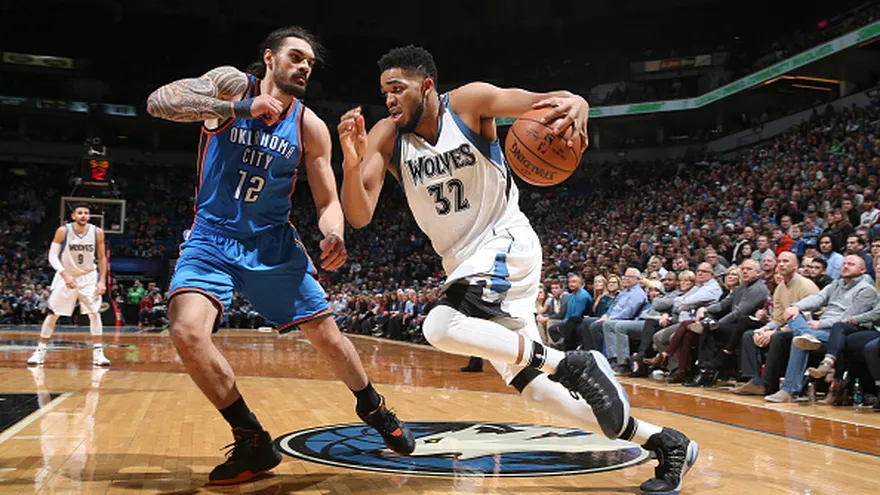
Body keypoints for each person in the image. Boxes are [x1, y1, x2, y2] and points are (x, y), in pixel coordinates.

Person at [337, 45, 698, 495]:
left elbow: (545, 100)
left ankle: (576, 364)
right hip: (467, 266)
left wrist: (579, 102)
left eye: (397, 88)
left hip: (504, 243)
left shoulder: (467, 103)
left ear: (426, 86)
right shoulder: (386, 136)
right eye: (384, 91)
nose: (389, 99)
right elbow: (358, 214)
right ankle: (666, 442)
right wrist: (352, 161)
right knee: (539, 392)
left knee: (439, 326)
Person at [146, 26, 413, 485]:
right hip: (211, 238)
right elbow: (158, 102)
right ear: (270, 58)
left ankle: (372, 403)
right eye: (296, 56)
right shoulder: (232, 86)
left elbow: (328, 201)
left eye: (310, 61)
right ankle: (251, 439)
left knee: (328, 339)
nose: (304, 65)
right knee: (187, 330)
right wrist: (236, 108)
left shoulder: (309, 126)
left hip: (272, 243)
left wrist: (334, 234)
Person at [27, 204, 110, 366]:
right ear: (73, 216)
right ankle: (40, 351)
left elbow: (101, 258)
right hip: (66, 275)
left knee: (94, 313)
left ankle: (98, 353)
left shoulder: (97, 233)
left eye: (86, 213)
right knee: (53, 314)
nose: (83, 215)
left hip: (88, 276)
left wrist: (101, 280)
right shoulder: (63, 231)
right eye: (80, 213)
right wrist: (64, 275)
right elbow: (52, 256)